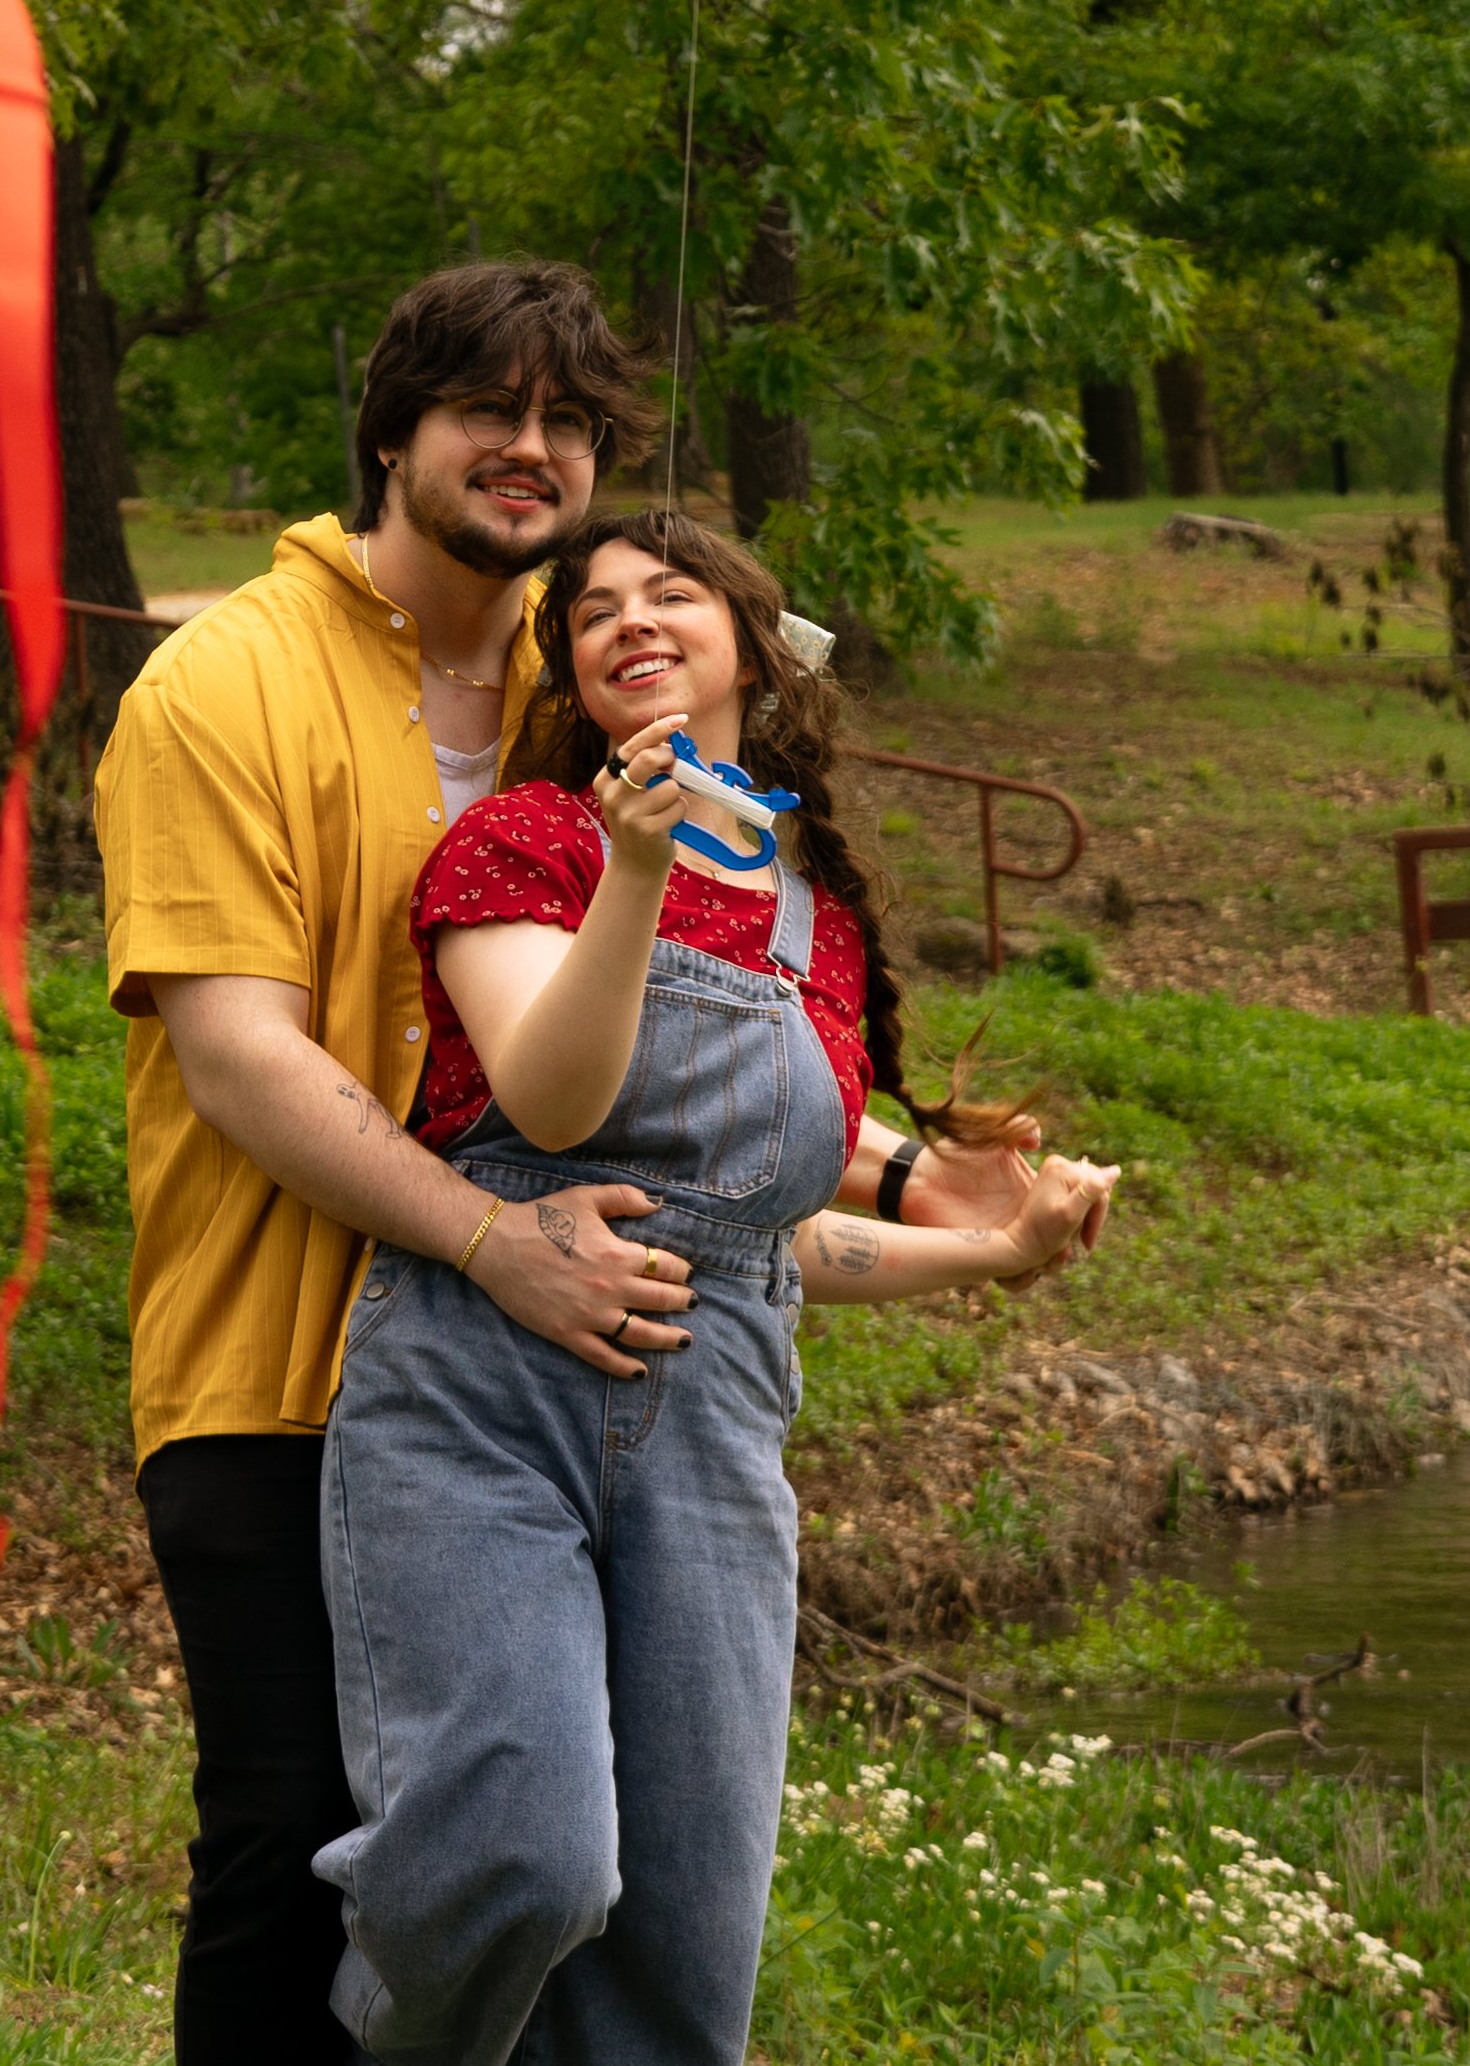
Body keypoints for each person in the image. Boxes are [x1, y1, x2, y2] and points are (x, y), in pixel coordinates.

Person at [96, 262, 1077, 2063]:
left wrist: (892, 1175)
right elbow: (240, 1056)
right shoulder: (224, 684)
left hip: (597, 1358)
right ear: (392, 435)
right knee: (314, 1859)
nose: (530, 451)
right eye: (487, 410)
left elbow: (670, 1031)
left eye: (568, 422)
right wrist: (491, 1241)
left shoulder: (578, 694)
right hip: (282, 1367)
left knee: (624, 1913)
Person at [315, 509, 1118, 2064]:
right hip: (482, 1400)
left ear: (752, 641)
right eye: (594, 606)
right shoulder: (526, 844)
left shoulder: (813, 916)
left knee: (686, 1956)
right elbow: (550, 1107)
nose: (628, 618)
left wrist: (998, 1255)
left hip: (717, 1427)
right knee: (521, 1858)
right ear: (573, 672)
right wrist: (634, 867)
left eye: (670, 593)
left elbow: (767, 1234)